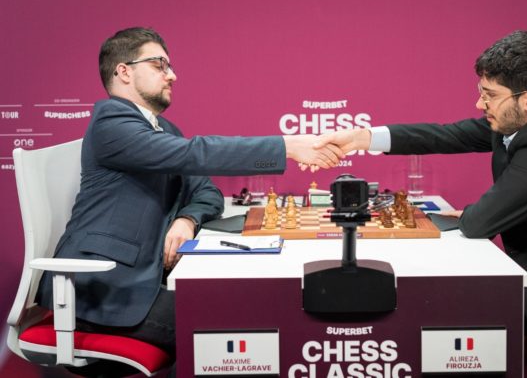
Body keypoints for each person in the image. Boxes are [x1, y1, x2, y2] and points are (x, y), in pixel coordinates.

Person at [317, 30, 527, 377]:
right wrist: (362, 138)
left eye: (489, 95)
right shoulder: (525, 123)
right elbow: (448, 134)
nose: (479, 104)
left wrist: (475, 212)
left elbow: (477, 224)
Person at [35, 27, 343, 374]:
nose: (173, 74)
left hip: (144, 281)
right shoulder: (111, 122)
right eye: (159, 64)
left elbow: (206, 191)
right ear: (124, 71)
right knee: (247, 327)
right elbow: (197, 153)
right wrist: (286, 146)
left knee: (255, 313)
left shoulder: (163, 129)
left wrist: (187, 219)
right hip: (103, 293)